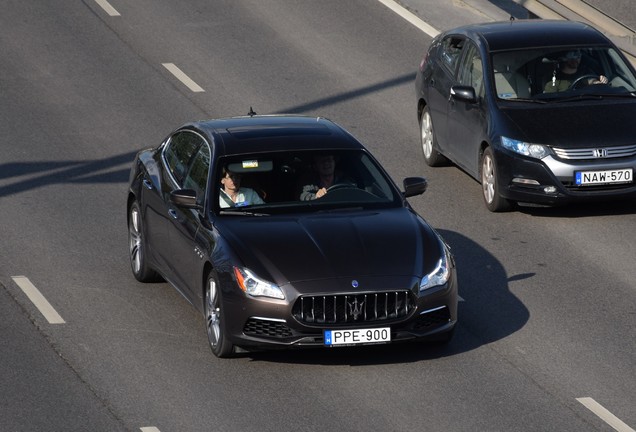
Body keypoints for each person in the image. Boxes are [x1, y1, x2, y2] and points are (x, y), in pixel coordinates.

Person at [544, 49, 608, 93]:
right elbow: (550, 99)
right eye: (572, 55)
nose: (577, 58)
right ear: (564, 58)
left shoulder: (585, 71)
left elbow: (591, 80)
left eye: (578, 55)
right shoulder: (553, 79)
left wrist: (598, 82)